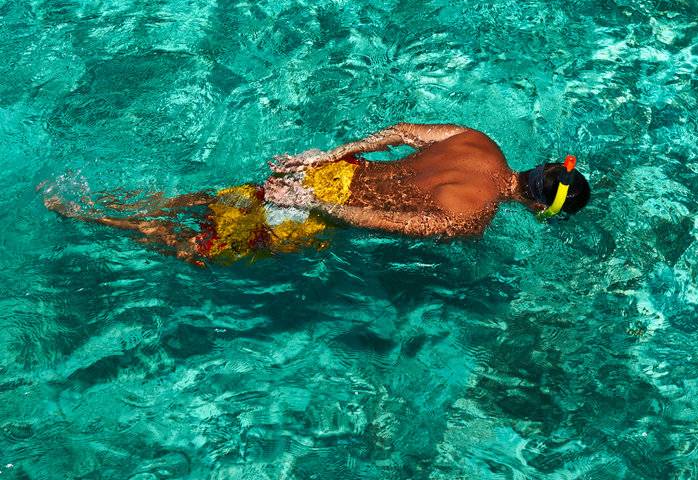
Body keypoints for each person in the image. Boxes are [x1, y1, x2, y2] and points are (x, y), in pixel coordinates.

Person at [41, 122, 591, 267]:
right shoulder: (474, 220)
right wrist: (318, 208)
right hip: (325, 207)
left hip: (338, 174)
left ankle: (107, 197)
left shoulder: (480, 143)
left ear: (540, 167)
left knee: (209, 202)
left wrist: (325, 158)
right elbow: (383, 225)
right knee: (199, 250)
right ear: (540, 209)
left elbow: (400, 132)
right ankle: (88, 216)